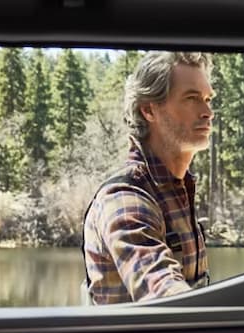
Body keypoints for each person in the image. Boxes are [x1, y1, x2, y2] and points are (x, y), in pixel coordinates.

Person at [82, 51, 214, 304]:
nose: (208, 111)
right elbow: (161, 289)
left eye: (208, 99)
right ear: (148, 110)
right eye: (191, 98)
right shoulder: (125, 199)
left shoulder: (178, 188)